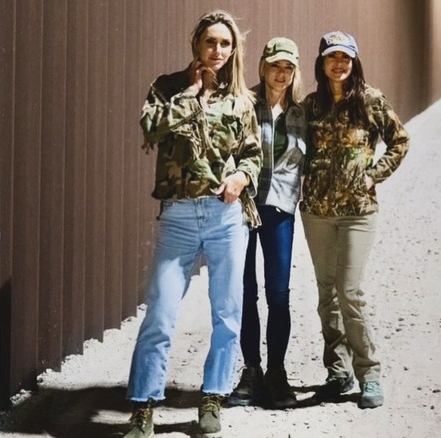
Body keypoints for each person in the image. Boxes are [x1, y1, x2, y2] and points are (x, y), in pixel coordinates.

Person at [124, 10, 261, 438]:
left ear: (234, 48)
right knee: (161, 314)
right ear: (196, 44)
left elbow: (254, 154)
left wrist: (241, 177)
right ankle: (143, 407)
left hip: (225, 217)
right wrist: (193, 92)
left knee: (227, 313)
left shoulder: (242, 99)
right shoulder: (168, 87)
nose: (217, 51)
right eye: (210, 42)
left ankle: (212, 397)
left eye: (225, 43)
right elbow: (151, 128)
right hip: (180, 217)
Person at [300, 31, 410, 409]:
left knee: (350, 293)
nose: (339, 64)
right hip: (316, 211)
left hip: (357, 212)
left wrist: (373, 174)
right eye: (332, 57)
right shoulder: (311, 105)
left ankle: (370, 373)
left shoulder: (371, 100)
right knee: (326, 294)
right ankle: (338, 370)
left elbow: (400, 140)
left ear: (355, 62)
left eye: (345, 58)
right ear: (322, 63)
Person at [227, 37, 306, 409]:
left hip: (279, 210)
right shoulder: (243, 103)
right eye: (275, 65)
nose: (281, 73)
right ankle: (252, 371)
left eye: (288, 67)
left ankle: (277, 372)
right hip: (243, 209)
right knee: (245, 291)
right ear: (262, 66)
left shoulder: (302, 113)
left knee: (278, 293)